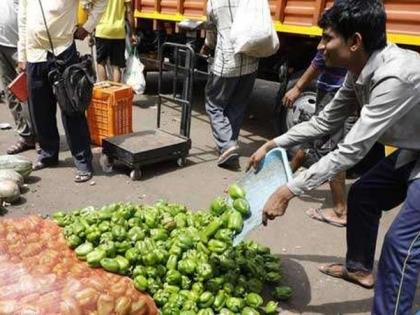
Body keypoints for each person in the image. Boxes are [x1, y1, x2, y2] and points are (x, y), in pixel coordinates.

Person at [248, 0, 420, 313]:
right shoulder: (360, 70)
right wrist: (274, 143)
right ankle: (360, 269)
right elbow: (326, 121)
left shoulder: (394, 78)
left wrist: (289, 191)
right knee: (364, 195)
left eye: (328, 38)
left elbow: (351, 151)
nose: (321, 45)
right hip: (415, 145)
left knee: (401, 245)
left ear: (355, 42)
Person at [18, 0, 107, 182]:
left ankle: (83, 161)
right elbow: (23, 20)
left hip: (63, 51)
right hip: (35, 55)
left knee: (71, 108)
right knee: (40, 109)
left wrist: (88, 27)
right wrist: (22, 55)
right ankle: (48, 155)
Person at [283, 50, 349, 227]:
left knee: (333, 149)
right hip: (340, 90)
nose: (321, 44)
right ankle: (284, 177)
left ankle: (340, 210)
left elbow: (320, 58)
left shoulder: (339, 27)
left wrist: (297, 88)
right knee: (319, 138)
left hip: (334, 92)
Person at [201, 0, 259, 167]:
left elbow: (211, 35)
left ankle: (227, 145)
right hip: (251, 59)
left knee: (213, 103)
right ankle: (230, 145)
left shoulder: (214, 2)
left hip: (228, 61)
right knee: (238, 104)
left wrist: (206, 47)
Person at [0, 0, 35, 155]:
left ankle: (42, 138)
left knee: (30, 93)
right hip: (1, 45)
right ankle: (25, 136)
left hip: (21, 45)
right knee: (11, 93)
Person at [95, 0, 137, 82]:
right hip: (118, 31)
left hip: (102, 30)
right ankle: (115, 92)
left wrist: (89, 31)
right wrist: (133, 33)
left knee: (101, 62)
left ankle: (104, 90)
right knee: (116, 65)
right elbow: (129, 11)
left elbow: (90, 8)